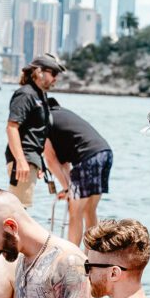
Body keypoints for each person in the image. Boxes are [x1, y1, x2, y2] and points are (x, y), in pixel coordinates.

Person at [44, 99, 113, 246]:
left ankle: (71, 254)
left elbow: (50, 159)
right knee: (89, 210)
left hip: (87, 158)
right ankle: (92, 253)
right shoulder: (63, 117)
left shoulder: (44, 121)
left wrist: (68, 189)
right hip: (104, 153)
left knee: (75, 211)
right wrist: (68, 187)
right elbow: (64, 163)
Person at [5, 53, 66, 208]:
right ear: (39, 72)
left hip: (31, 160)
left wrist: (39, 164)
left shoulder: (41, 96)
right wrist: (21, 161)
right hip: (23, 159)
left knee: (21, 207)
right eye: (53, 73)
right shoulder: (25, 94)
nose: (55, 78)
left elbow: (36, 133)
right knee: (17, 209)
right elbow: (12, 127)